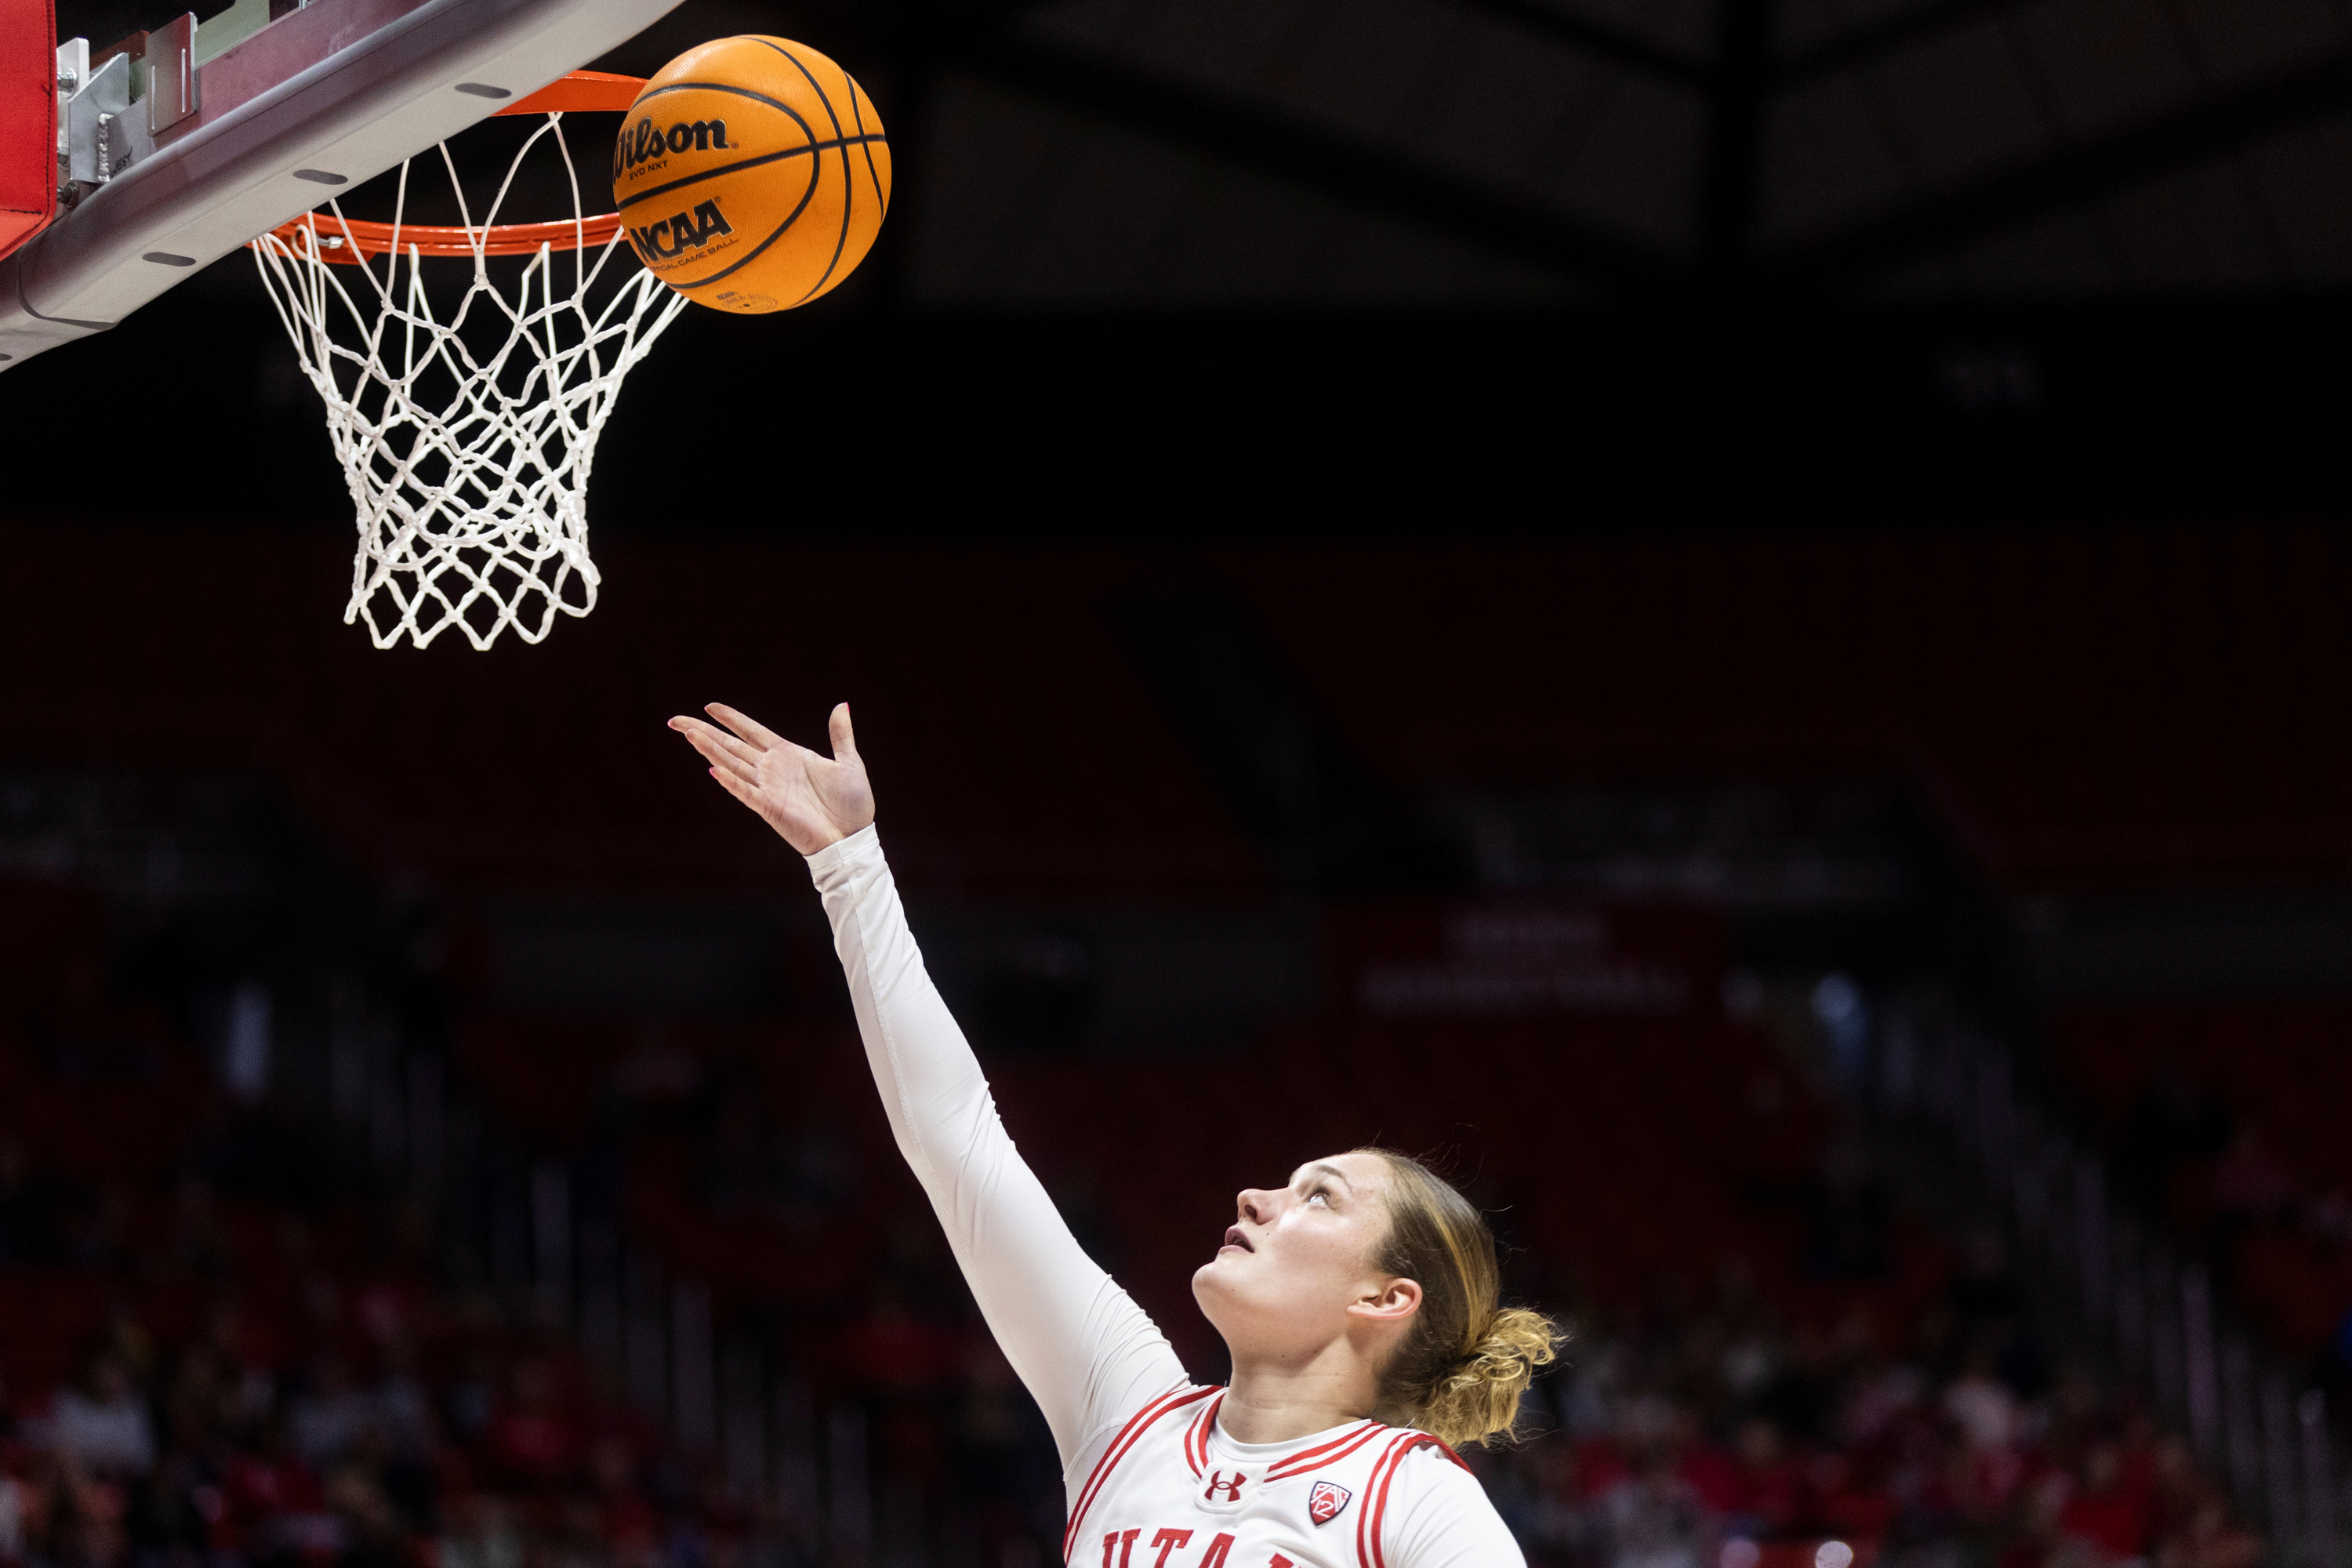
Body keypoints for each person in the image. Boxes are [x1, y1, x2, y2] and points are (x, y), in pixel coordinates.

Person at [670, 702, 1558, 1566]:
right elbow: (957, 1143)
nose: (1256, 1195)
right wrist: (849, 865)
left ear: (1383, 1297)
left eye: (1318, 1194)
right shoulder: (1127, 1404)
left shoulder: (1412, 1496)